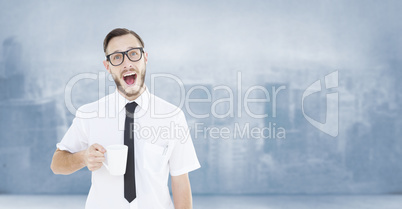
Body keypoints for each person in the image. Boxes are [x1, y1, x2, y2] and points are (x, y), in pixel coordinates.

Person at [50, 28, 200, 209]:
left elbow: (180, 180)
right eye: (117, 57)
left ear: (145, 58)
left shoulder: (172, 116)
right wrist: (83, 157)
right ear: (108, 66)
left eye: (133, 54)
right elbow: (57, 164)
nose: (127, 63)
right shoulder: (89, 114)